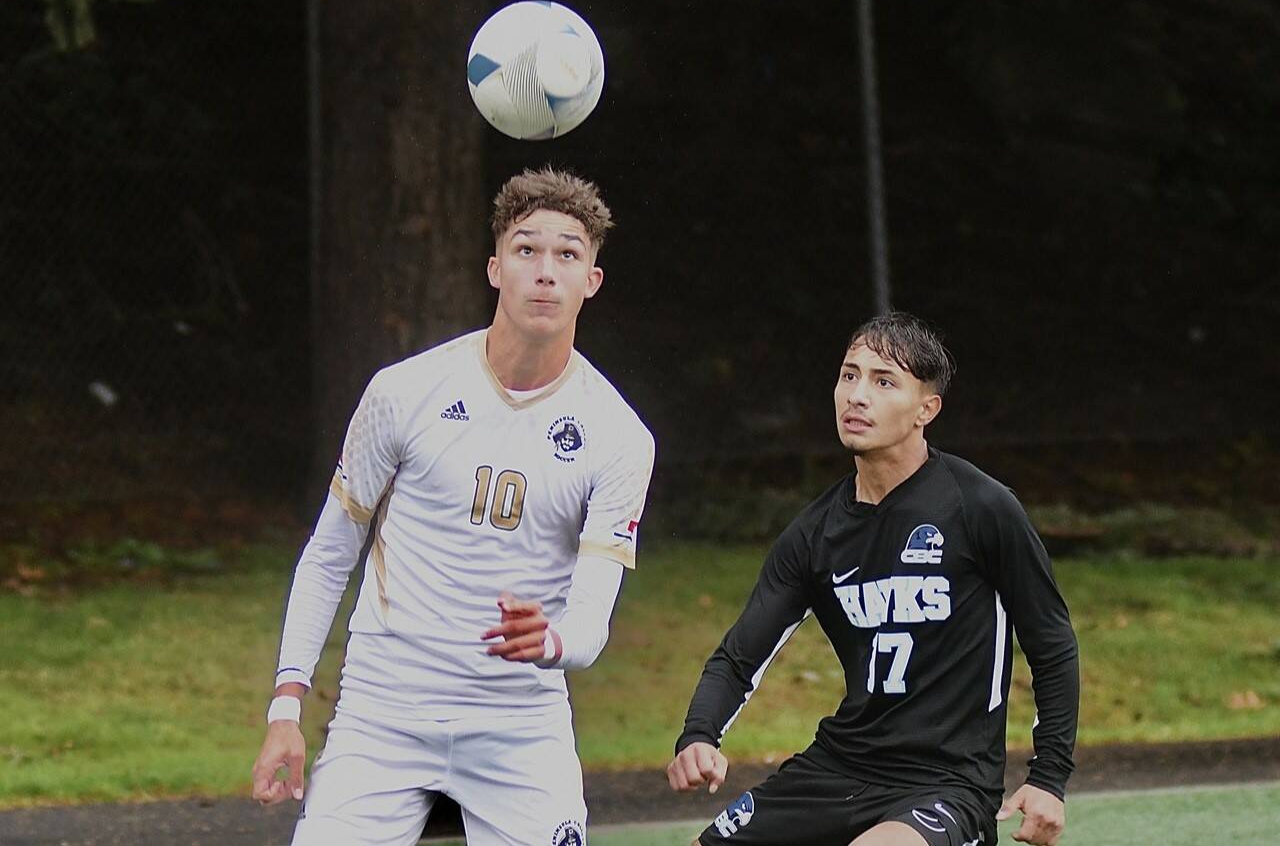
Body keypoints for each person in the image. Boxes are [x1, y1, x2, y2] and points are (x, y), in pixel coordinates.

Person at [251, 167, 655, 846]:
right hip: (385, 712)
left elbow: (590, 621)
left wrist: (550, 640)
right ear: (495, 268)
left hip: (519, 725)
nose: (545, 271)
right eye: (526, 249)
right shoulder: (403, 392)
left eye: (567, 254)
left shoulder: (620, 436)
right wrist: (286, 705)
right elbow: (328, 555)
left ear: (592, 280)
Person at [667, 312, 1079, 846]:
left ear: (926, 409)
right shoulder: (815, 533)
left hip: (948, 785)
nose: (857, 396)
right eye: (849, 375)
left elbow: (1052, 643)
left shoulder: (980, 507)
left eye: (884, 382)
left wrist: (1049, 777)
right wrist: (699, 735)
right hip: (838, 769)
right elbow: (739, 657)